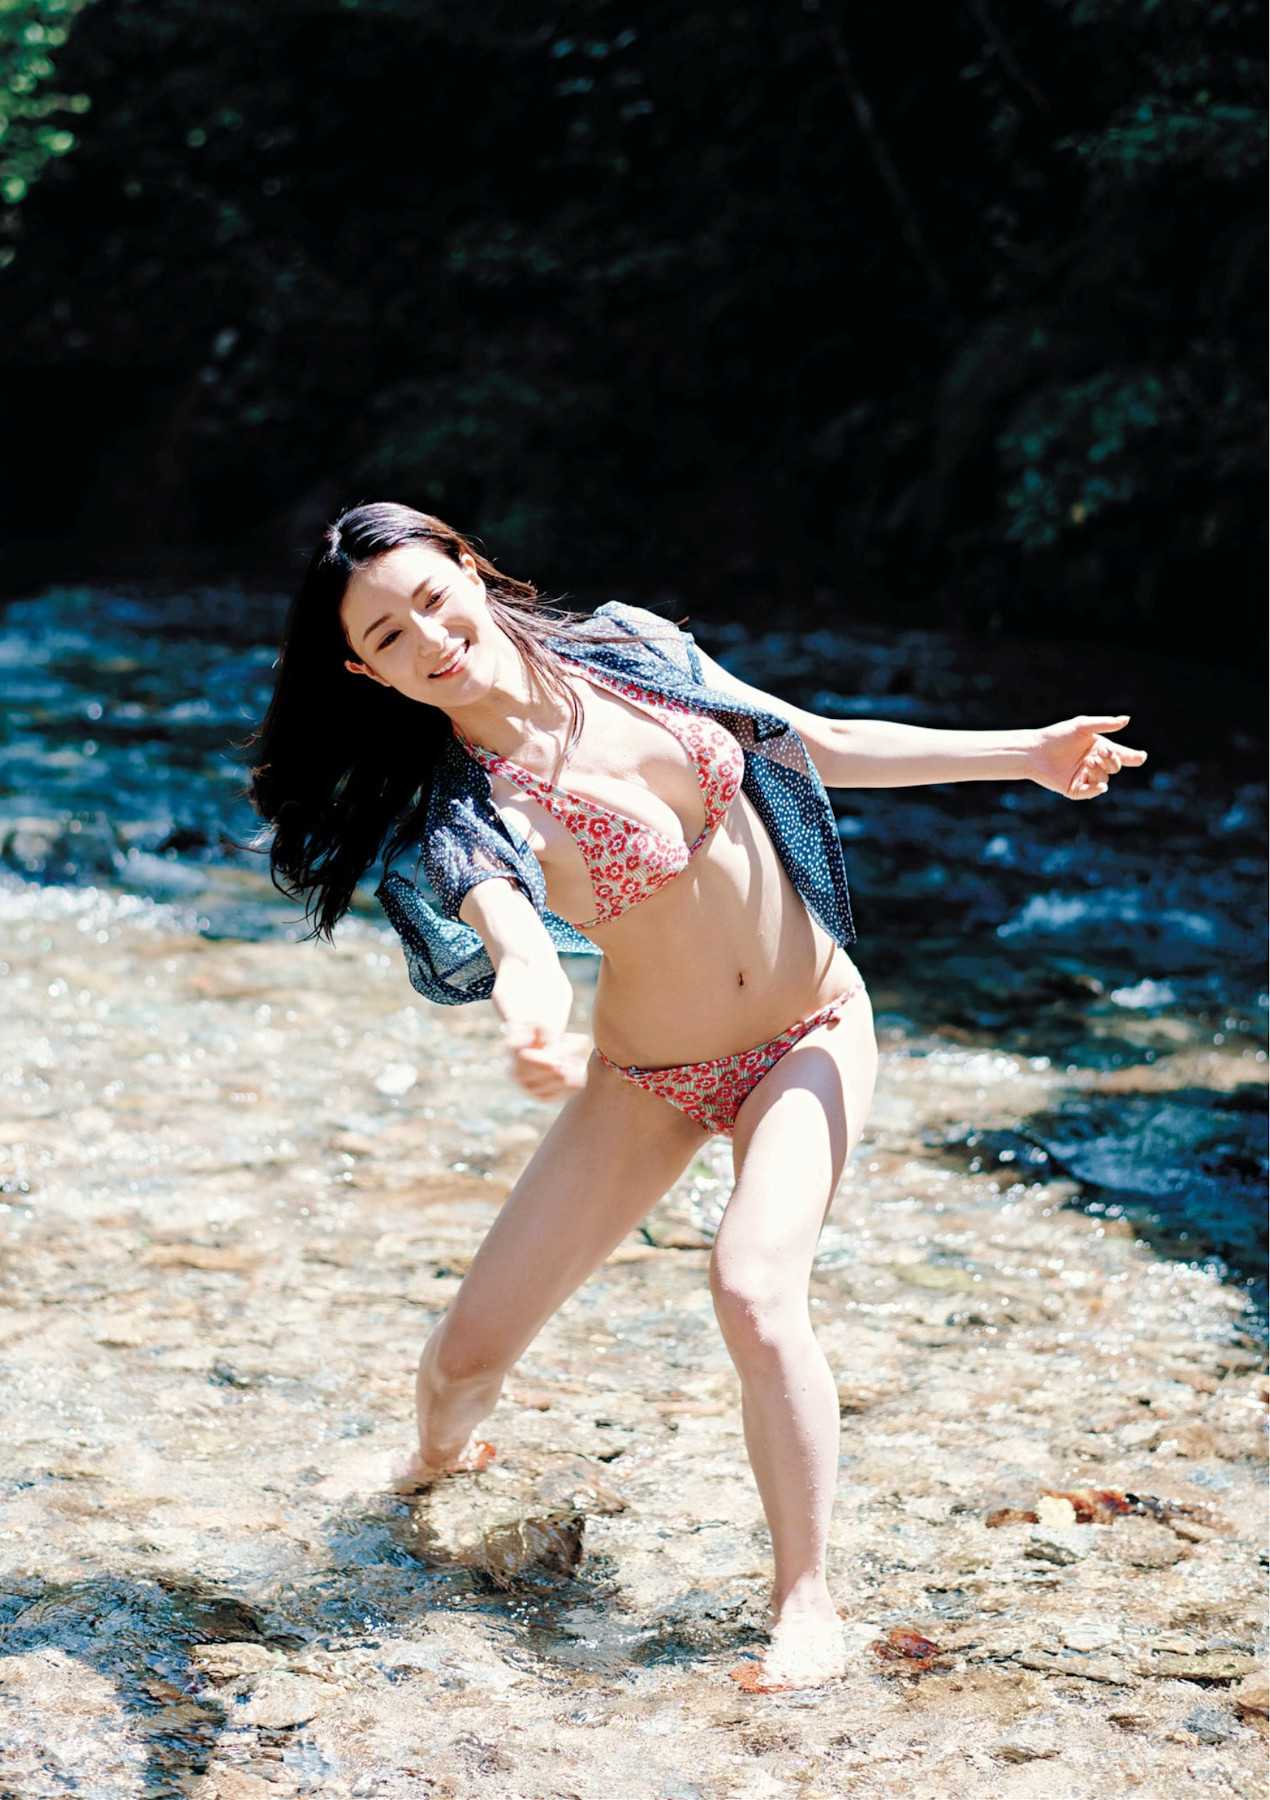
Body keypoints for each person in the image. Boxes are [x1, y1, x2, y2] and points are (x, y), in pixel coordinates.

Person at [245, 501, 1147, 1692]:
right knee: (463, 1359)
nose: (431, 639)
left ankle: (804, 1601)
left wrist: (1023, 753)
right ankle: (431, 1464)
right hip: (649, 1079)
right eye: (389, 638)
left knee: (753, 1287)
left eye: (430, 598)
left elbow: (813, 741)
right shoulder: (467, 814)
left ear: (466, 567)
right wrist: (532, 1013)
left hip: (812, 1027)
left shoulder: (631, 647)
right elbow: (515, 936)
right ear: (367, 674)